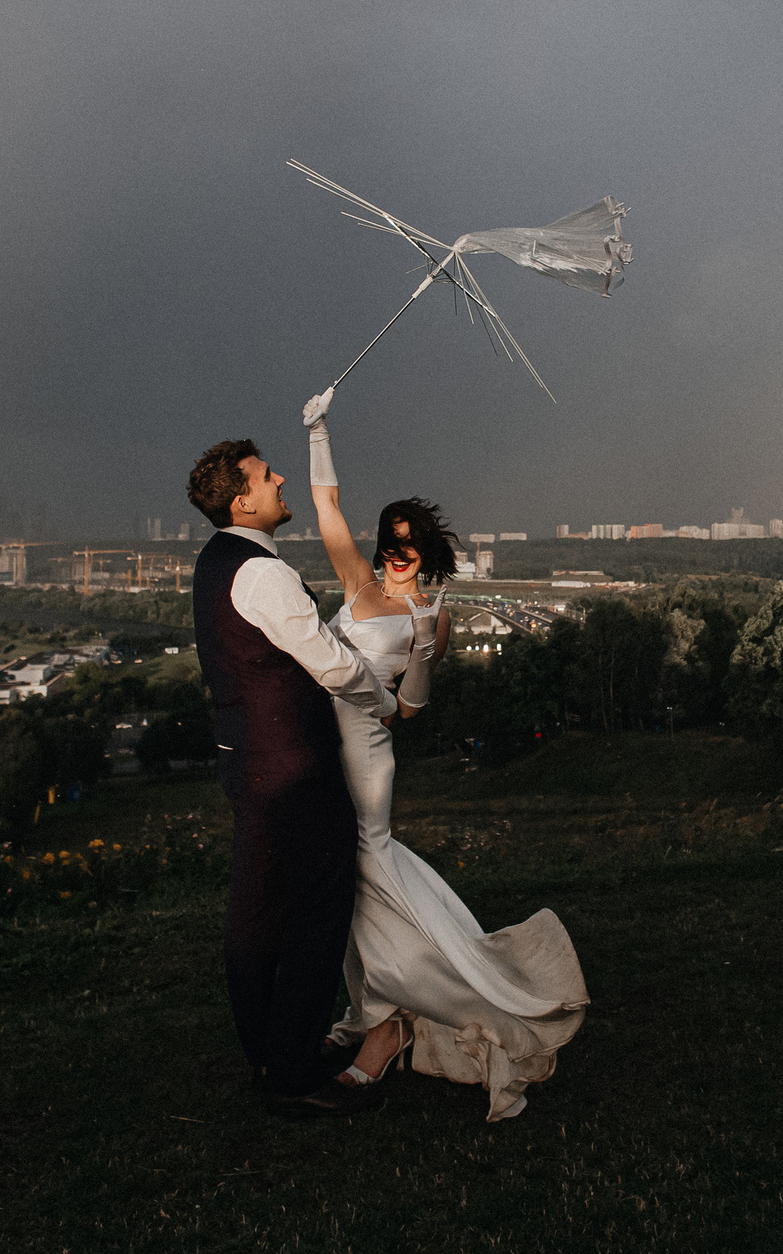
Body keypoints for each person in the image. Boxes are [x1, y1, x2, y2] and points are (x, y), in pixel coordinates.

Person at [302, 386, 588, 1121]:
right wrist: (318, 427)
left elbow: (409, 709)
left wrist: (424, 652)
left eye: (411, 545)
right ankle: (378, 1009)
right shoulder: (357, 582)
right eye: (390, 542)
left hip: (366, 754)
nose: (398, 554)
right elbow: (327, 509)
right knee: (353, 885)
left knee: (366, 871)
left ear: (427, 553)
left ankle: (389, 1017)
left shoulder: (435, 613)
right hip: (320, 746)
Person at [186, 437, 398, 1119]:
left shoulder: (214, 561)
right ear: (242, 499)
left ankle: (266, 1049)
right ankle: (296, 1067)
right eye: (266, 474)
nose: (280, 481)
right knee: (316, 910)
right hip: (294, 769)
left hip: (244, 762)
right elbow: (329, 662)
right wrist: (384, 697)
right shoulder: (263, 573)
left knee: (255, 912)